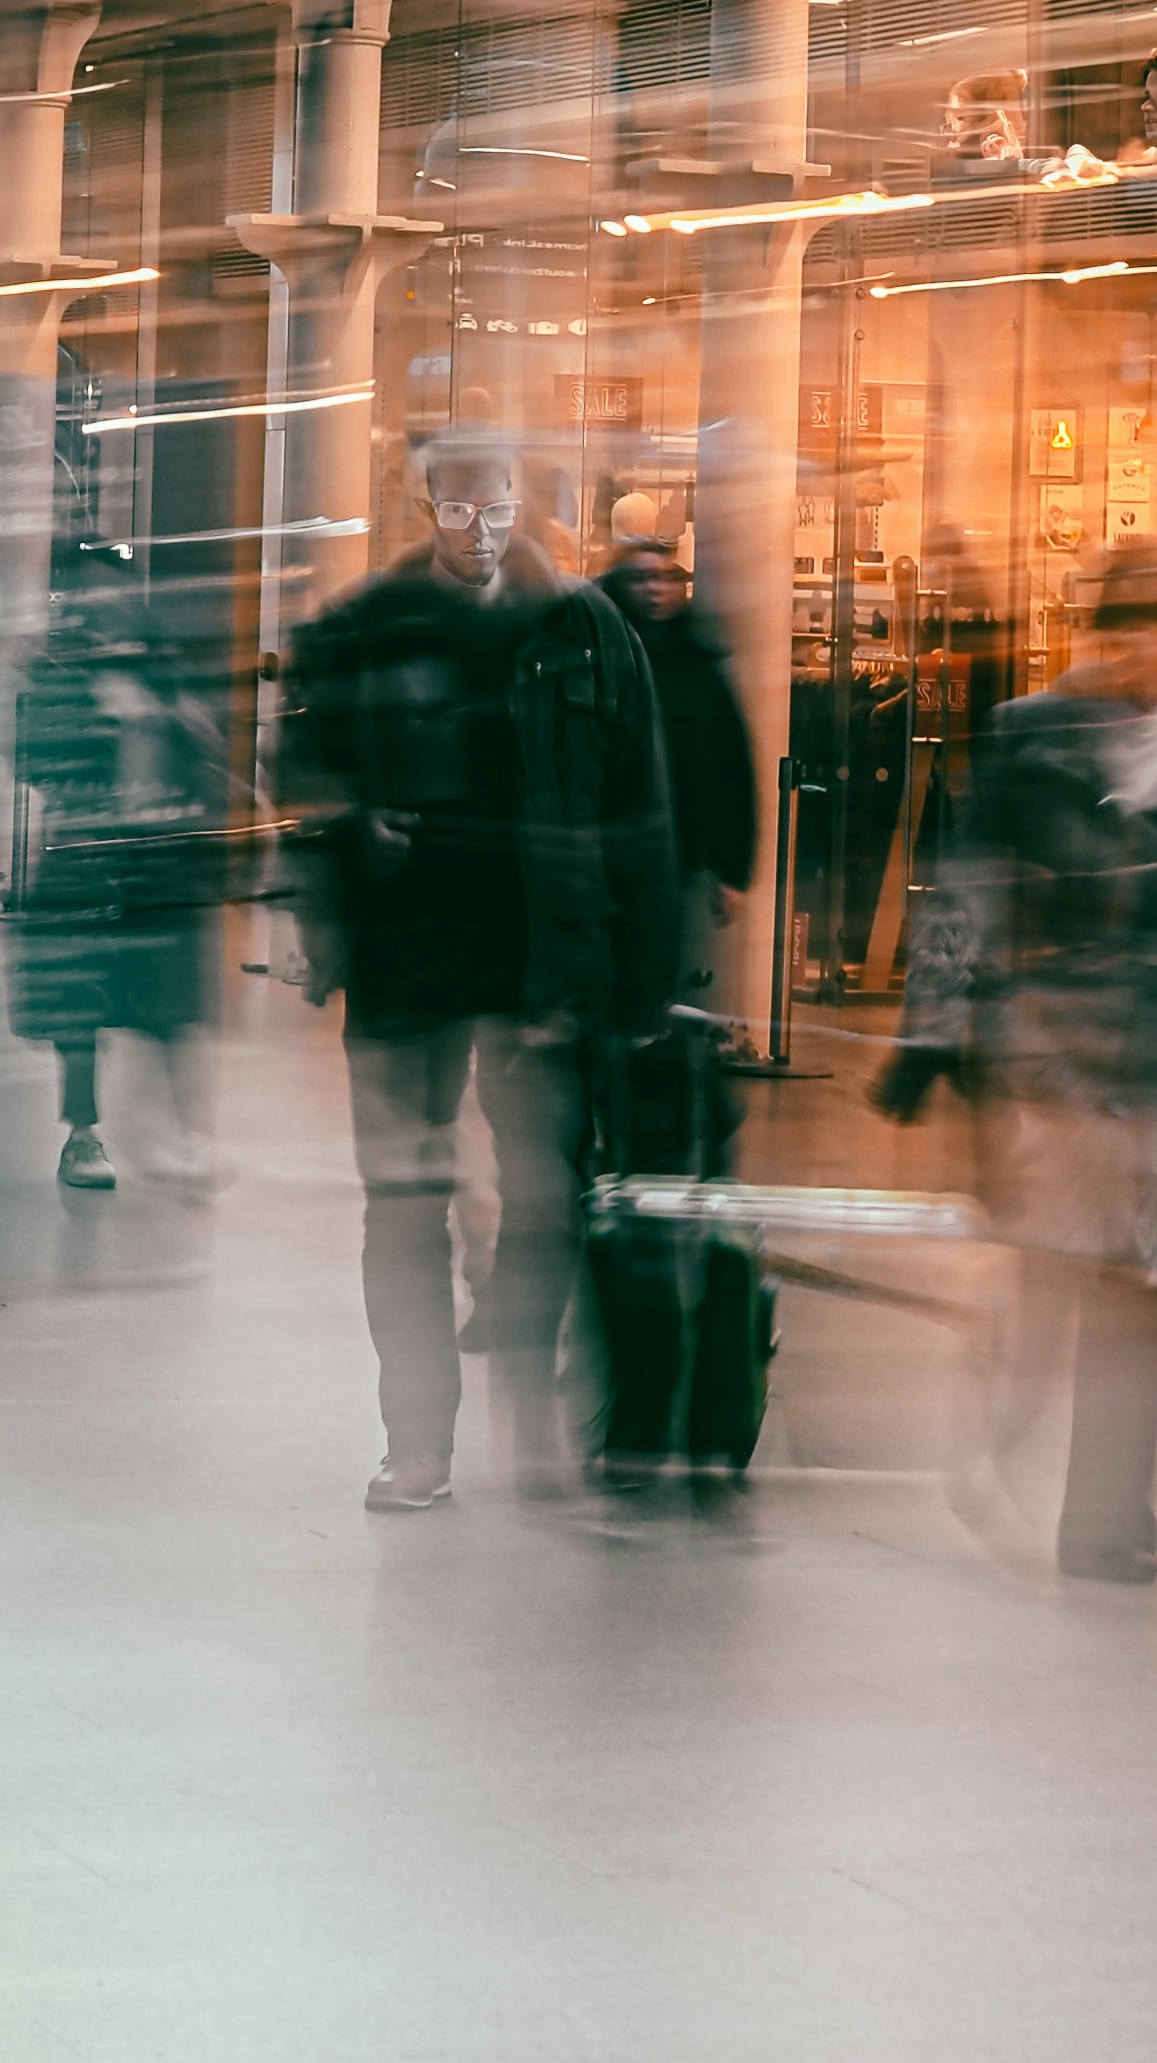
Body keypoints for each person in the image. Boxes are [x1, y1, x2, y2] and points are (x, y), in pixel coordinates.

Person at [877, 540, 1157, 1585]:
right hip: (1061, 1053)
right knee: (1066, 1279)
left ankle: (1109, 1516)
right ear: (1090, 635)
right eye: (1119, 628)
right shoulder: (1029, 737)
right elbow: (970, 890)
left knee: (1153, 1294)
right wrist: (931, 1026)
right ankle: (1015, 1444)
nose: (1139, 649)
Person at [277, 422, 674, 1513]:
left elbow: (642, 806)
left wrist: (646, 978)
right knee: (405, 1204)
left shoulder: (586, 631)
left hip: (543, 962)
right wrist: (356, 826)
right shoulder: (365, 626)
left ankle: (530, 1404)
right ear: (424, 508)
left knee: (544, 1196)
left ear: (524, 503)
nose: (480, 532)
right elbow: (299, 775)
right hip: (405, 963)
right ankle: (419, 1441)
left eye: (498, 509)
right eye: (458, 511)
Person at [8, 543, 232, 1193]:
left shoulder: (163, 665)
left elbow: (204, 751)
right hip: (82, 862)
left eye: (111, 591)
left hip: (159, 862)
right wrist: (99, 727)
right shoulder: (55, 669)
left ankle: (192, 1134)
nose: (101, 605)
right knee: (78, 1015)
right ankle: (83, 1135)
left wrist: (166, 718)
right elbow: (33, 763)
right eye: (87, 592)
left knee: (174, 1008)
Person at [595, 508, 757, 1002]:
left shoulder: (696, 662)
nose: (655, 589)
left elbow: (733, 769)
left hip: (679, 852)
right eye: (641, 578)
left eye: (667, 578)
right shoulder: (599, 654)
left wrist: (733, 868)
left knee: (666, 979)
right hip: (608, 848)